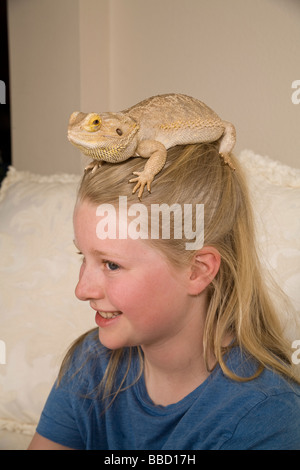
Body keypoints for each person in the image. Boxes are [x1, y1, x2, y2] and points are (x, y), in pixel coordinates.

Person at [28, 141, 300, 450]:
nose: (82, 290)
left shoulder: (267, 416)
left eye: (112, 264)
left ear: (197, 271)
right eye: (82, 256)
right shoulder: (90, 363)